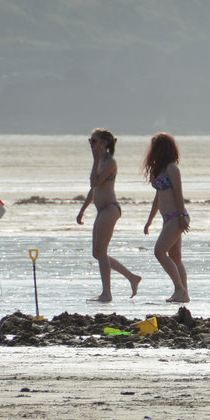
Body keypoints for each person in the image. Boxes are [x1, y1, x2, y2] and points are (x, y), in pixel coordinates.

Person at [76, 128, 141, 303]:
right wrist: (82, 210)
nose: (91, 144)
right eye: (90, 141)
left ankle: (106, 293)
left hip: (110, 209)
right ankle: (132, 277)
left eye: (94, 141)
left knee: (101, 252)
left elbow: (95, 181)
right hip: (100, 210)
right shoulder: (98, 162)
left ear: (104, 143)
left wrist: (95, 160)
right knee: (97, 253)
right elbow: (93, 189)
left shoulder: (109, 162)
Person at [142, 133, 190, 304]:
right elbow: (158, 197)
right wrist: (150, 220)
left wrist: (183, 215)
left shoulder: (172, 168)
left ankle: (179, 288)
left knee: (159, 251)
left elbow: (178, 194)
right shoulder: (159, 169)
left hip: (177, 217)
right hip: (167, 218)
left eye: (154, 147)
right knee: (175, 258)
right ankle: (184, 294)